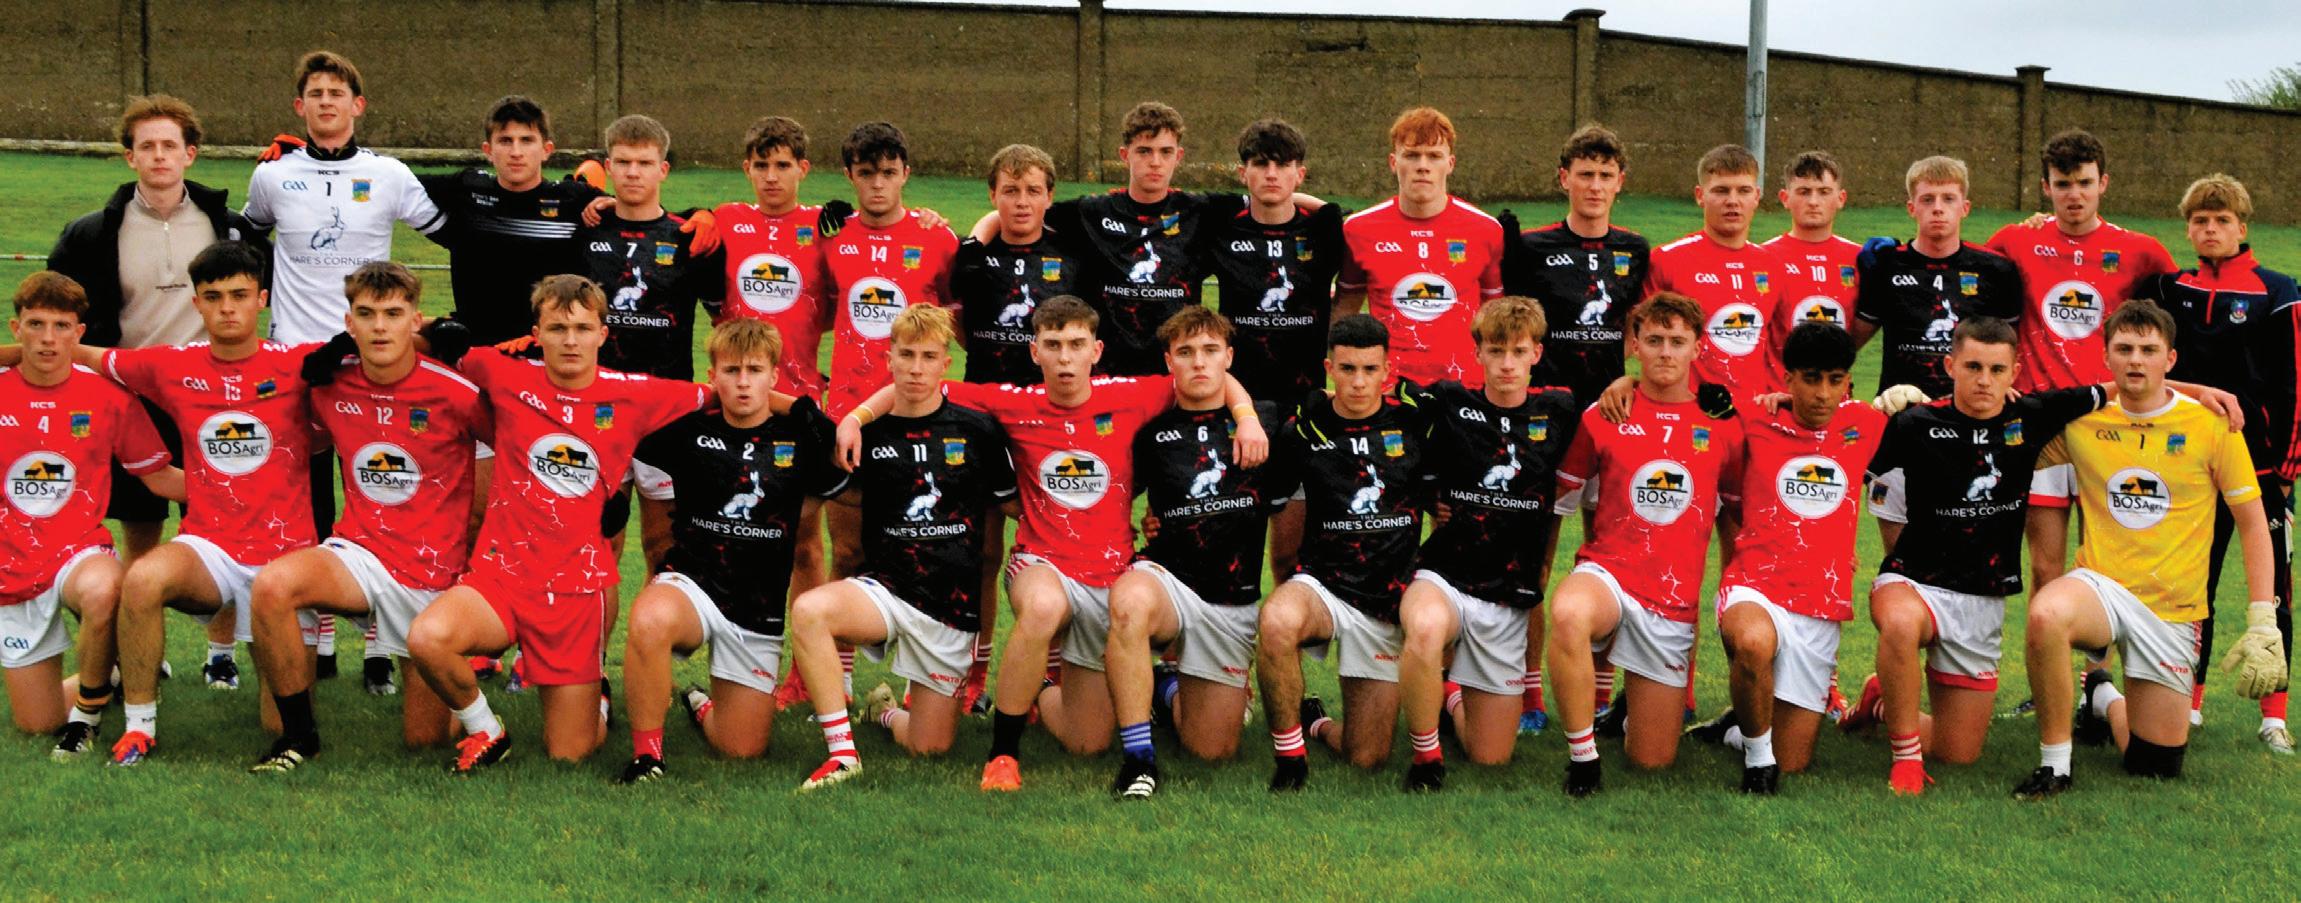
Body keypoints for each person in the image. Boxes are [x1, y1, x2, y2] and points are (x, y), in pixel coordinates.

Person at [833, 295, 1265, 792]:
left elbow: (1209, 373)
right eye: (1053, 345)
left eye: (1076, 344)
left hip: (1110, 576)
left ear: (1095, 351)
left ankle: (1041, 687)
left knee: (1088, 742)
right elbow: (921, 383)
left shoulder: (1132, 395)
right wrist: (855, 418)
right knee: (1041, 608)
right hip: (1042, 563)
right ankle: (1003, 754)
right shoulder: (1014, 402)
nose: (1065, 358)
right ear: (1035, 351)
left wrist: (1247, 417)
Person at [403, 275, 707, 772]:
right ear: (535, 334)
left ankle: (596, 697)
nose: (570, 340)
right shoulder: (501, 371)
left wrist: (813, 415)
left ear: (603, 334)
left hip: (575, 592)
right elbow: (418, 339)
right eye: (557, 328)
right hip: (501, 579)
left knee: (571, 752)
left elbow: (724, 395)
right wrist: (431, 329)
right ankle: (487, 730)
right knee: (427, 637)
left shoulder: (634, 393)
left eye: (582, 328)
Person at [2016, 300, 2283, 798]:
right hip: (2101, 587)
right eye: (2124, 349)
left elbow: (2253, 525)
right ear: (2106, 357)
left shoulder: (2211, 425)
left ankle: (2102, 694)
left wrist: (2263, 619)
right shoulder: (2080, 422)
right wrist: (1914, 405)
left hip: (2173, 609)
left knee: (2154, 766)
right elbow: (1999, 418)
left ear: (2170, 358)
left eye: (2148, 350)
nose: (2136, 360)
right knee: (2046, 614)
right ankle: (2056, 763)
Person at [244, 51, 447, 686]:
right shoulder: (273, 175)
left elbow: (457, 231)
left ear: (358, 105)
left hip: (369, 360)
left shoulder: (388, 174)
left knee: (378, 492)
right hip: (295, 365)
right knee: (306, 501)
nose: (326, 102)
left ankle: (382, 641)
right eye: (316, 93)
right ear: (299, 107)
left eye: (337, 93)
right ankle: (319, 631)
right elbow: (245, 239)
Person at [1842, 317, 2106, 794]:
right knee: (1899, 624)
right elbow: (1838, 461)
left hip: (1982, 596)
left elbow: (2125, 386)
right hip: (1913, 580)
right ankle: (1905, 759)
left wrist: (2208, 394)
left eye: (1996, 369)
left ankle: (1880, 701)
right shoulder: (1916, 423)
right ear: (1950, 366)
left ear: (2014, 372)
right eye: (1973, 367)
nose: (1984, 380)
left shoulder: (2032, 415)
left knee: (1957, 752)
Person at [243, 261, 486, 772]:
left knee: (424, 741)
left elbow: (521, 448)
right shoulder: (328, 380)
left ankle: (457, 675)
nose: (379, 327)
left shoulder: (457, 392)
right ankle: (298, 736)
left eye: (393, 314)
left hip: (429, 575)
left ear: (415, 321)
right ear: (348, 322)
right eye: (367, 314)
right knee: (272, 585)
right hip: (359, 553)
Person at [85, 242, 320, 765]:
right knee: (143, 578)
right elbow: (78, 354)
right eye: (213, 297)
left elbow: (383, 342)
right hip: (209, 547)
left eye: (239, 295)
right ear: (197, 304)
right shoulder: (172, 365)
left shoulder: (300, 363)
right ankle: (140, 727)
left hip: (285, 556)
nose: (227, 308)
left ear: (262, 299)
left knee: (280, 722)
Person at [786, 305, 1014, 790]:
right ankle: (842, 754)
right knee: (810, 611)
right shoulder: (866, 436)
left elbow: (1017, 505)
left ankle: (884, 713)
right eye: (906, 355)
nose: (915, 368)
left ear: (945, 364)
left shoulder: (979, 430)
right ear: (888, 359)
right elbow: (824, 489)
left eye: (928, 357)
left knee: (929, 747)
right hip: (887, 592)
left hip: (950, 611)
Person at [616, 319, 844, 783]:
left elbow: (835, 447)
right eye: (732, 370)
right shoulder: (683, 431)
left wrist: (799, 406)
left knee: (741, 750)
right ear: (713, 375)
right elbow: (621, 428)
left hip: (757, 606)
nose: (743, 382)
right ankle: (648, 756)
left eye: (754, 371)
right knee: (650, 618)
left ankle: (700, 705)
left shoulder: (801, 437)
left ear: (773, 376)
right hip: (693, 585)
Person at [1545, 292, 1745, 796]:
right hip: (1610, 575)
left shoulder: (1723, 423)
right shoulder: (1604, 414)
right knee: (1568, 613)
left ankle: (1631, 708)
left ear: (1698, 347)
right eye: (1654, 340)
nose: (1665, 352)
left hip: (1670, 601)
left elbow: (1738, 510)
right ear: (1634, 345)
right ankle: (1583, 757)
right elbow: (1559, 497)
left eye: (1677, 341)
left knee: (1653, 762)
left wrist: (1737, 582)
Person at [48, 95, 259, 569]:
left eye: (169, 145)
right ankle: (136, 615)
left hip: (209, 396)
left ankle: (220, 623)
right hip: (130, 393)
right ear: (131, 157)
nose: (159, 156)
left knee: (219, 531)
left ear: (190, 153)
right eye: (147, 146)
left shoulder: (228, 228)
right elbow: (59, 312)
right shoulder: (91, 233)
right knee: (140, 530)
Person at [796, 121, 958, 708]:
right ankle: (835, 680)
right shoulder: (833, 237)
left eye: (889, 173)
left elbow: (957, 313)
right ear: (850, 176)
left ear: (905, 174)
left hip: (917, 417)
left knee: (924, 545)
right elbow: (816, 306)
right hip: (848, 415)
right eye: (867, 174)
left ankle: (929, 686)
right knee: (849, 552)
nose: (879, 185)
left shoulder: (937, 237)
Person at [2134, 174, 2299, 748]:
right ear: (2187, 229)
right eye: (2200, 221)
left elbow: (2295, 384)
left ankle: (2274, 717)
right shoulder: (2167, 289)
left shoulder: (2278, 291)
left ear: (2241, 227)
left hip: (2260, 468)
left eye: (2222, 220)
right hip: (2188, 467)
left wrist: (2289, 469)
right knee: (2191, 587)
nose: (2210, 229)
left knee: (2273, 590)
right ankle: (2190, 702)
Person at [1685, 322, 1883, 793]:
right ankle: (1758, 763)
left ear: (1848, 382)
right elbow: (1676, 403)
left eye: (1835, 380)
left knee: (1793, 760)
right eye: (1811, 379)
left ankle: (1737, 728)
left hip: (1819, 604)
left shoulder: (1866, 424)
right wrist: (1624, 381)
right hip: (1756, 586)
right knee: (1753, 644)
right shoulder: (1754, 419)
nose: (1823, 393)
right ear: (1788, 378)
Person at [1497, 124, 1650, 732]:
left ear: (1620, 182)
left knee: (1612, 563)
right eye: (1584, 174)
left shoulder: (1636, 248)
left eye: (1605, 175)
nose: (1594, 185)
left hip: (1614, 423)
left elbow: (1645, 329)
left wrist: (1632, 376)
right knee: (1534, 563)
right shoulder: (1533, 247)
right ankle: (1529, 692)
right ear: (1564, 178)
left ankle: (1604, 695)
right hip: (1547, 426)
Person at [1103, 307, 1289, 798]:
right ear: (1169, 362)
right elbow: (1113, 494)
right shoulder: (1150, 430)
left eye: (1210, 350)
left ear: (1229, 357)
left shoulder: (1266, 419)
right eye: (1185, 352)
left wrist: (1246, 416)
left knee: (1211, 751)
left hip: (1229, 600)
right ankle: (1138, 760)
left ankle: (1165, 688)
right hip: (1167, 581)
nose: (1199, 362)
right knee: (1130, 604)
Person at [1985, 129, 2177, 601]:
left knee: (2108, 564)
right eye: (2063, 184)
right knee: (2045, 567)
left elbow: (2175, 321)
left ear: (2103, 183)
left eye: (2085, 183)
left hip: (2108, 420)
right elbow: (1967, 283)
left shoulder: (2141, 250)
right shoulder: (2015, 240)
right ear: (2046, 187)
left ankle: (2100, 653)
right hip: (2041, 422)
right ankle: (2046, 652)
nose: (2075, 195)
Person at [1395, 297, 1578, 790]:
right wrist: (1431, 498)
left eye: (1518, 351)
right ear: (1477, 353)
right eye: (1496, 351)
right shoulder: (1449, 401)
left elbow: (1614, 410)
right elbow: (1384, 417)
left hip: (1507, 593)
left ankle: (1450, 693)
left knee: (1490, 758)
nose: (1507, 364)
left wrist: (1623, 385)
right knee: (1426, 627)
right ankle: (1426, 759)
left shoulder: (1559, 410)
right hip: (1446, 577)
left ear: (1537, 353)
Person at [0, 273, 179, 757]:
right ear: (16, 328)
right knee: (37, 723)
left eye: (61, 326)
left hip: (77, 550)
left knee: (105, 588)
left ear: (79, 333)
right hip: (10, 562)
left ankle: (87, 714)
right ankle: (114, 670)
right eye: (36, 325)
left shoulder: (108, 396)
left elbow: (160, 477)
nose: (48, 338)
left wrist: (239, 489)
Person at [1259, 314, 1432, 791]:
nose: (1358, 381)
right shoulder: (1302, 429)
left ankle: (1315, 724)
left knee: (1366, 758)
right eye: (1348, 369)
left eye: (1370, 370)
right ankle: (1290, 760)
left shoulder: (1415, 422)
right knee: (1276, 621)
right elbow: (1263, 502)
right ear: (1329, 368)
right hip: (1324, 586)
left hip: (1386, 600)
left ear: (1387, 370)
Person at [948, 143, 1082, 709]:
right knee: (981, 550)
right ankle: (975, 674)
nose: (1021, 202)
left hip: (1050, 420)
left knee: (1056, 549)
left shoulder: (1072, 255)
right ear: (992, 196)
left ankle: (1050, 674)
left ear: (1049, 197)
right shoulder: (974, 256)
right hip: (984, 417)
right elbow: (954, 318)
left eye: (1032, 191)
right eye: (1009, 191)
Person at [1200, 117, 1345, 584]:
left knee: (1289, 557)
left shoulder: (1323, 231)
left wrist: (1297, 200)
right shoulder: (1221, 229)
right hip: (1236, 405)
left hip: (1303, 411)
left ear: (1300, 173)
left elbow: (1333, 214)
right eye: (1260, 164)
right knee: (1228, 551)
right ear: (1243, 172)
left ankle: (1282, 628)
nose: (1271, 174)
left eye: (1283, 165)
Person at [1336, 107, 1504, 388]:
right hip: (1388, 392)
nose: (1423, 166)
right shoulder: (1359, 230)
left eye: (1434, 156)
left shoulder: (1486, 230)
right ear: (1393, 162)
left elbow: (1496, 315)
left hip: (1463, 389)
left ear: (1450, 163)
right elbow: (1345, 310)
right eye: (1412, 155)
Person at [1851, 156, 2025, 400]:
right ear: (1911, 208)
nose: (1938, 208)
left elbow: (2012, 345)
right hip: (1902, 408)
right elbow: (1851, 342)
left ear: (1965, 208)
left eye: (1949, 199)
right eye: (1927, 199)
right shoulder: (1886, 265)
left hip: (1968, 409)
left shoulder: (1996, 270)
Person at [582, 114, 723, 382]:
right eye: (623, 162)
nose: (633, 173)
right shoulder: (585, 231)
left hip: (668, 396)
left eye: (645, 163)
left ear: (663, 170)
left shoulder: (690, 237)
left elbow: (723, 320)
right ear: (609, 167)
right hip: (597, 392)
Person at [1643, 144, 1787, 405]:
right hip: (1688, 411)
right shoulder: (1667, 260)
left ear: (1756, 196)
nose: (1732, 200)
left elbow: (1779, 347)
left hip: (1754, 413)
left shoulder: (1773, 265)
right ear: (1700, 195)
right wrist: (1626, 382)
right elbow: (1638, 339)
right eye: (1721, 190)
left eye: (1743, 191)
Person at [1759, 151, 1860, 358]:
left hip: (1835, 378)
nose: (1813, 201)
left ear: (1841, 198)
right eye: (1804, 192)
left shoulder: (1860, 258)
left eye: (1824, 192)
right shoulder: (1763, 257)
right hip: (1778, 379)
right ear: (1785, 198)